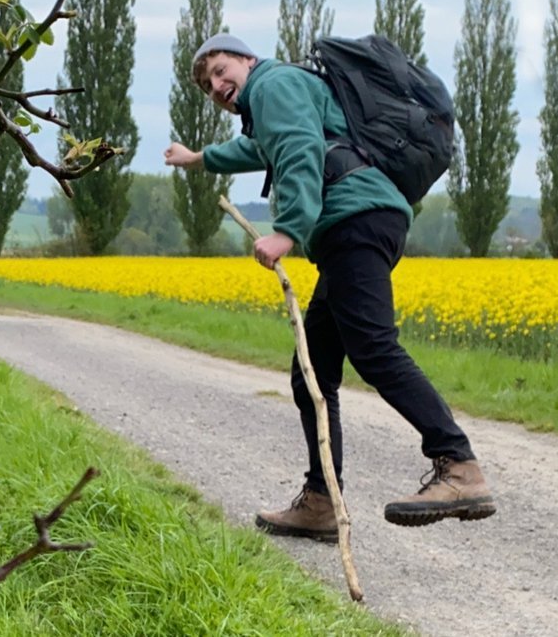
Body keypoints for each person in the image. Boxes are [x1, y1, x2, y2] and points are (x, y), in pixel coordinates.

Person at [163, 32, 495, 540]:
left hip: (355, 220)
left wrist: (288, 231)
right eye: (208, 86)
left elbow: (298, 146)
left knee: (373, 348)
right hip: (360, 219)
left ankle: (459, 466)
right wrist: (199, 158)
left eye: (220, 70)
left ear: (247, 59)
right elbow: (259, 146)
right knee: (313, 370)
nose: (217, 86)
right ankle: (321, 501)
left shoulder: (272, 84)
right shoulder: (277, 94)